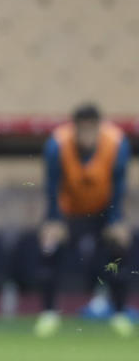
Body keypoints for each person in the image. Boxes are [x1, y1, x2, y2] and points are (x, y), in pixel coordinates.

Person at [35, 103, 132, 338]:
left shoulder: (117, 143)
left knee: (120, 245)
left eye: (92, 129)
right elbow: (52, 185)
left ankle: (118, 313)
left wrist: (116, 220)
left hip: (102, 211)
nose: (87, 136)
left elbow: (119, 186)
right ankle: (49, 313)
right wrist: (53, 220)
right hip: (70, 212)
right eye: (82, 129)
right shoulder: (56, 145)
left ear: (99, 128)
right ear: (74, 128)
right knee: (49, 245)